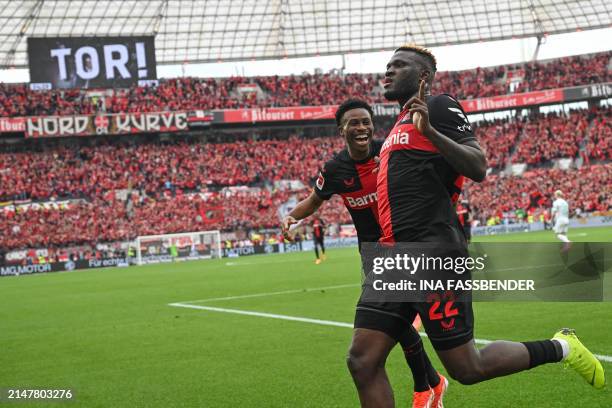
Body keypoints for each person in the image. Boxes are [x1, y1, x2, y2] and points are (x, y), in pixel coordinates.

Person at [348, 44, 604, 407]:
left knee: (468, 367)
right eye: (387, 66)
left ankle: (563, 347)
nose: (387, 71)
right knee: (362, 359)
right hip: (393, 257)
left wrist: (433, 133)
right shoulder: (399, 125)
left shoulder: (438, 106)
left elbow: (479, 166)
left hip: (432, 253)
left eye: (398, 65)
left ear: (423, 76)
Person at [282, 99, 447, 408]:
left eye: (365, 121)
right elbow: (314, 201)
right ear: (341, 129)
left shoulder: (390, 152)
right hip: (372, 255)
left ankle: (427, 388)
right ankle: (432, 384)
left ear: (373, 124)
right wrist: (292, 216)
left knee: (393, 324)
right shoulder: (334, 169)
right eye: (353, 123)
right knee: (395, 325)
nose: (361, 127)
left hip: (403, 247)